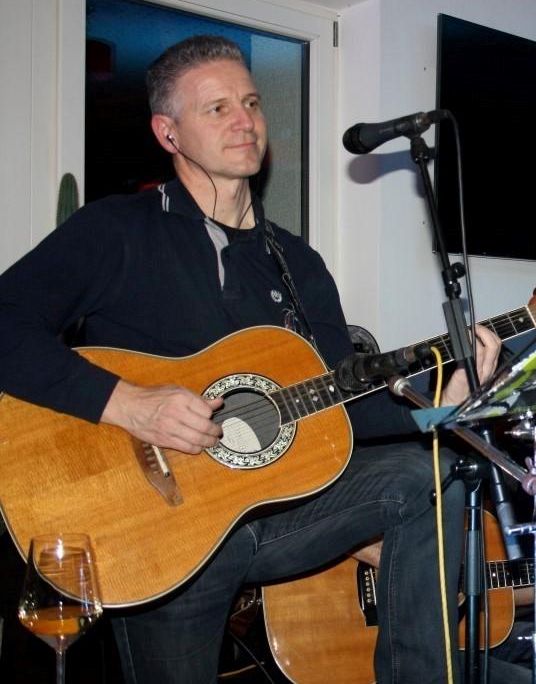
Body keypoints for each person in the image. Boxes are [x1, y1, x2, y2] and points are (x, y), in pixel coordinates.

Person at [0, 34, 498, 683]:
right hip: (155, 529)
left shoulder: (297, 263)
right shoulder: (115, 231)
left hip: (275, 517)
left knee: (433, 474)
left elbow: (342, 402)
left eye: (252, 103)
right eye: (218, 108)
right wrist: (130, 404)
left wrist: (440, 408)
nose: (245, 121)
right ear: (168, 133)